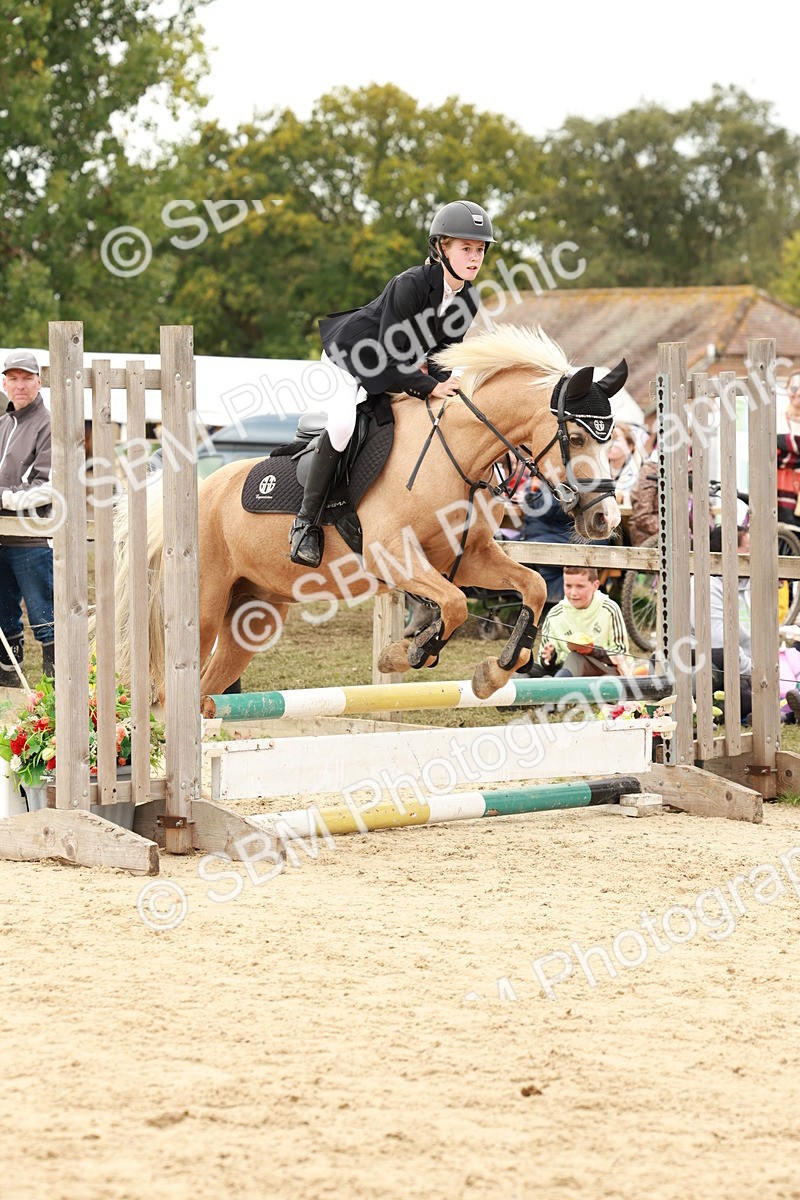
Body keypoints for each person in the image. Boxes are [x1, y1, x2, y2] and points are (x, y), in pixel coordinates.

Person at [289, 199, 494, 567]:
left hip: (393, 365)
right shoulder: (410, 284)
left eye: (479, 249)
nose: (475, 257)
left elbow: (439, 356)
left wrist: (452, 382)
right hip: (351, 356)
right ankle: (305, 524)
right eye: (466, 248)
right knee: (342, 425)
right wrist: (429, 386)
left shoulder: (468, 299)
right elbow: (387, 355)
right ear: (440, 248)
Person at [0, 351, 55, 685]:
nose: (19, 385)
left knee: (44, 617)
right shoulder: (3, 424)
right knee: (4, 618)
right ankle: (9, 690)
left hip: (32, 538)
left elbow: (49, 485)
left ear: (38, 381)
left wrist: (3, 497)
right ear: (4, 383)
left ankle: (56, 695)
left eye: (26, 378)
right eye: (12, 378)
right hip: (1, 537)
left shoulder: (50, 424)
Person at [689, 525, 752, 721]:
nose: (752, 557)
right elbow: (720, 643)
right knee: (749, 696)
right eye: (748, 551)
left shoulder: (743, 582)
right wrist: (756, 670)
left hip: (741, 669)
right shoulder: (706, 585)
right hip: (709, 663)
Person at [537, 566, 630, 677]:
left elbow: (620, 652)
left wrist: (591, 651)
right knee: (524, 669)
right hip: (565, 671)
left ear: (595, 586)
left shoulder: (609, 609)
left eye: (580, 586)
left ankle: (555, 691)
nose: (573, 593)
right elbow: (545, 661)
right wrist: (550, 657)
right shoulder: (554, 615)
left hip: (603, 674)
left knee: (575, 657)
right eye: (568, 586)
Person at [777, 369, 800, 528]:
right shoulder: (776, 420)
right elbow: (772, 453)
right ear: (787, 390)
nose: (798, 393)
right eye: (794, 388)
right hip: (780, 488)